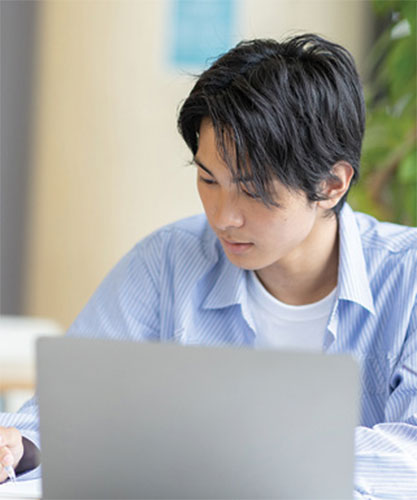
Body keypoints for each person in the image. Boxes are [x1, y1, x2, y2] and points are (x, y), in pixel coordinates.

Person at [1, 33, 417, 498]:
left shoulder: (408, 278)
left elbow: (410, 456)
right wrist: (21, 444)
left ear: (332, 185)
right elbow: (63, 416)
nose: (223, 216)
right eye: (207, 179)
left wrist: (249, 456)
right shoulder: (166, 262)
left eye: (253, 190)